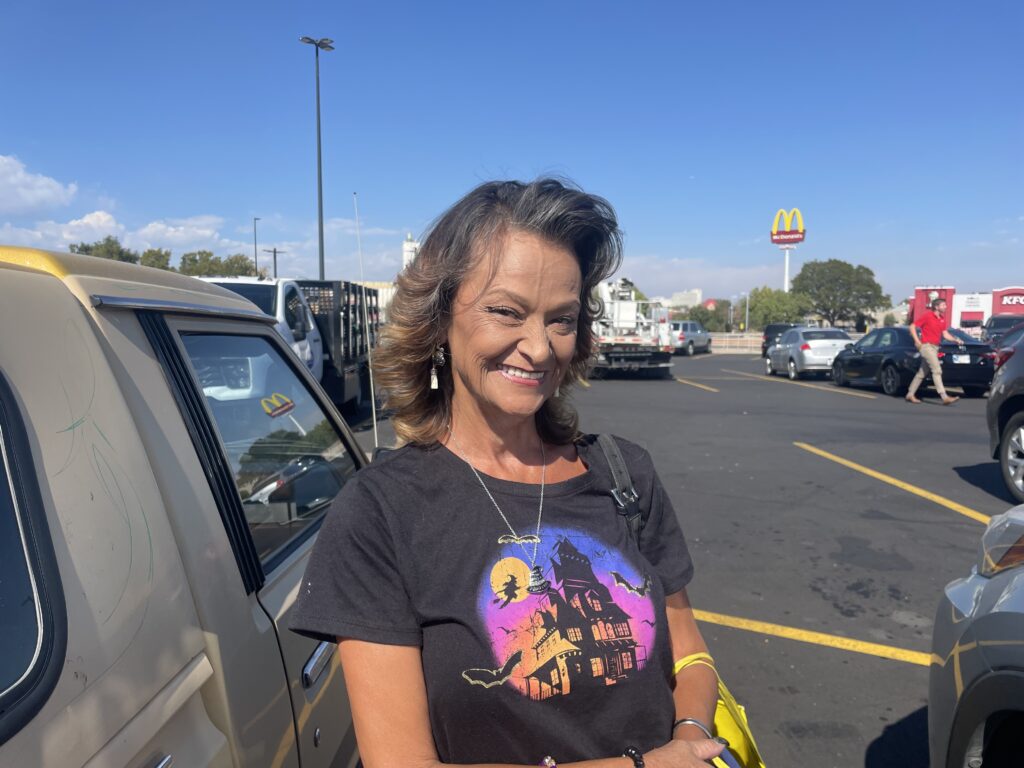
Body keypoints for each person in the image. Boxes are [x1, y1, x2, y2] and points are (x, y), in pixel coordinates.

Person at [291, 179, 726, 767]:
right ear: (439, 319)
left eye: (561, 320)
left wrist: (691, 735)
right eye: (505, 311)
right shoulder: (381, 513)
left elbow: (689, 650)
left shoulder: (625, 473)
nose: (540, 348)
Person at [906, 296, 960, 405]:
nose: (946, 307)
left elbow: (944, 334)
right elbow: (912, 326)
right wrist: (917, 342)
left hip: (935, 347)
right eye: (943, 305)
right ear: (936, 306)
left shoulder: (942, 318)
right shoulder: (927, 316)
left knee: (922, 372)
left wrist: (956, 340)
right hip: (926, 346)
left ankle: (910, 394)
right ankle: (944, 397)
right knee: (937, 370)